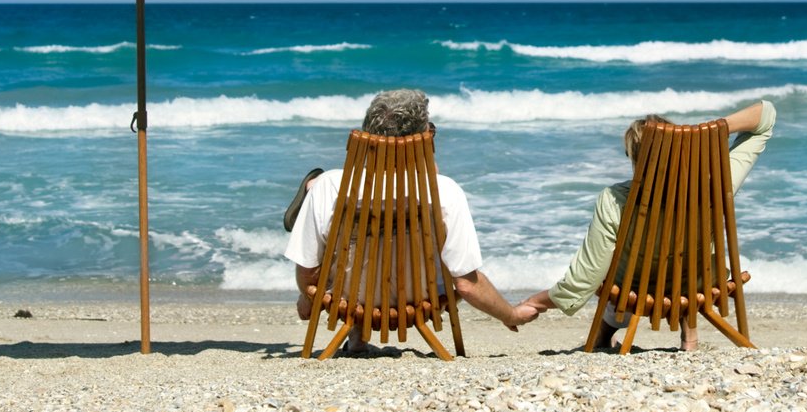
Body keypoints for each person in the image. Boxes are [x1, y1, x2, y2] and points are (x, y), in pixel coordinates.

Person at [284, 88, 536, 348]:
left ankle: (309, 188)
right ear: (423, 140)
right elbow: (467, 284)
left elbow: (307, 272)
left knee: (330, 201)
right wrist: (511, 313)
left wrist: (310, 295)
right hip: (421, 299)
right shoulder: (445, 191)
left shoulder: (330, 186)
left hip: (347, 300)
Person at [523, 98, 776, 350]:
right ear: (683, 149)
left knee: (618, 267)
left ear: (635, 158)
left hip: (633, 291)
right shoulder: (715, 184)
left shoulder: (614, 199)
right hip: (697, 285)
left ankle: (604, 334)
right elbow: (766, 116)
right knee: (687, 261)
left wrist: (537, 302)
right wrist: (705, 133)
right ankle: (690, 340)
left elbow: (585, 279)